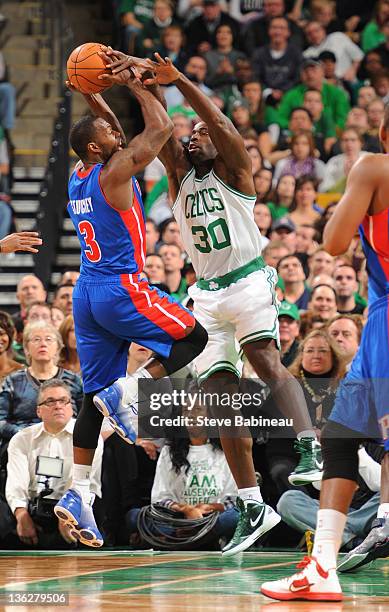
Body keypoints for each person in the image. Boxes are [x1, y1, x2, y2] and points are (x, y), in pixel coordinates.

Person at [106, 50, 323, 557]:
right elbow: (161, 131)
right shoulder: (181, 179)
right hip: (205, 294)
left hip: (247, 280)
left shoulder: (238, 172)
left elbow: (219, 120)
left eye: (200, 135)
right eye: (191, 137)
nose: (194, 137)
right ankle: (252, 506)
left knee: (267, 359)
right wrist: (140, 85)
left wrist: (177, 77)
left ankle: (307, 445)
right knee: (223, 402)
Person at [54, 60, 208, 548]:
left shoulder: (82, 173)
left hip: (87, 295)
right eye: (108, 130)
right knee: (195, 338)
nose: (116, 130)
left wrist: (90, 90)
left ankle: (78, 493)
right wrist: (129, 83)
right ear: (100, 148)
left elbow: (109, 131)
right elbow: (160, 128)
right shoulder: (116, 171)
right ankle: (133, 391)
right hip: (123, 287)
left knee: (91, 399)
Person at [260, 103, 389, 601]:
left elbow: (333, 242)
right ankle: (325, 565)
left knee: (347, 439)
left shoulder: (374, 166)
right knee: (339, 437)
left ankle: (369, 530)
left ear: (381, 131)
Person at [3, 380, 102, 549]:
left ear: (71, 407)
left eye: (63, 401)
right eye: (50, 401)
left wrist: (68, 515)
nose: (58, 406)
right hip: (33, 506)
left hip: (75, 506)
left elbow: (87, 482)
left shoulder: (90, 438)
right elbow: (16, 483)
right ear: (38, 411)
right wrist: (21, 514)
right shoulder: (22, 439)